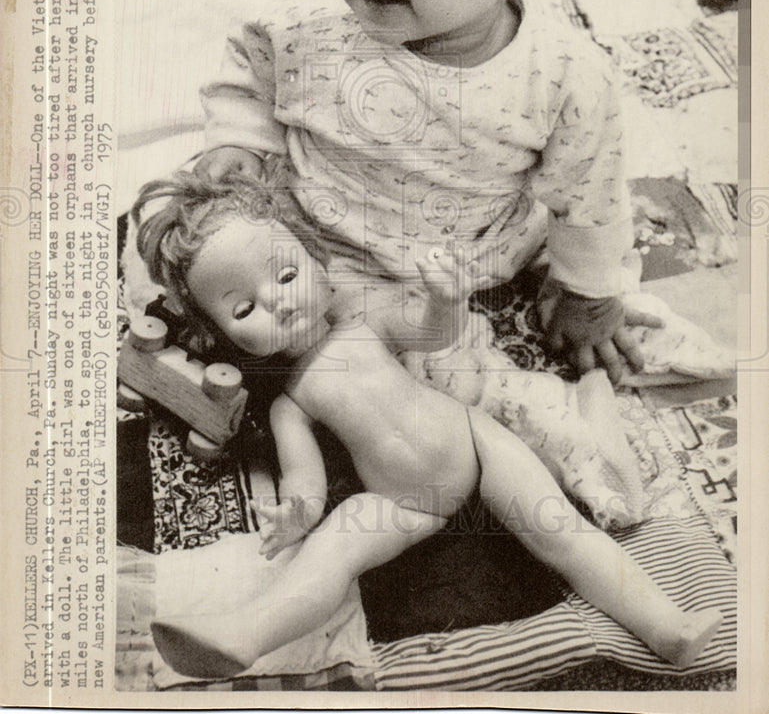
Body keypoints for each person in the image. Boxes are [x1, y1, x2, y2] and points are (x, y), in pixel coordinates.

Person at [133, 172, 721, 679]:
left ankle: (667, 627)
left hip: (478, 446)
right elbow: (304, 479)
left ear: (316, 259)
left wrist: (446, 299)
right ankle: (245, 635)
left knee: (562, 532)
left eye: (285, 277)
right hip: (401, 501)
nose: (277, 302)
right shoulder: (290, 402)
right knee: (332, 551)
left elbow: (431, 332)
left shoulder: (366, 322)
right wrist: (297, 514)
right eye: (244, 309)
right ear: (223, 336)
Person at [194, 0, 657, 384]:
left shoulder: (565, 78)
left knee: (439, 387)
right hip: (307, 233)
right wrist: (239, 142)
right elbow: (250, 68)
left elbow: (590, 198)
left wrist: (588, 294)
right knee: (182, 253)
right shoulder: (305, 24)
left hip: (459, 264)